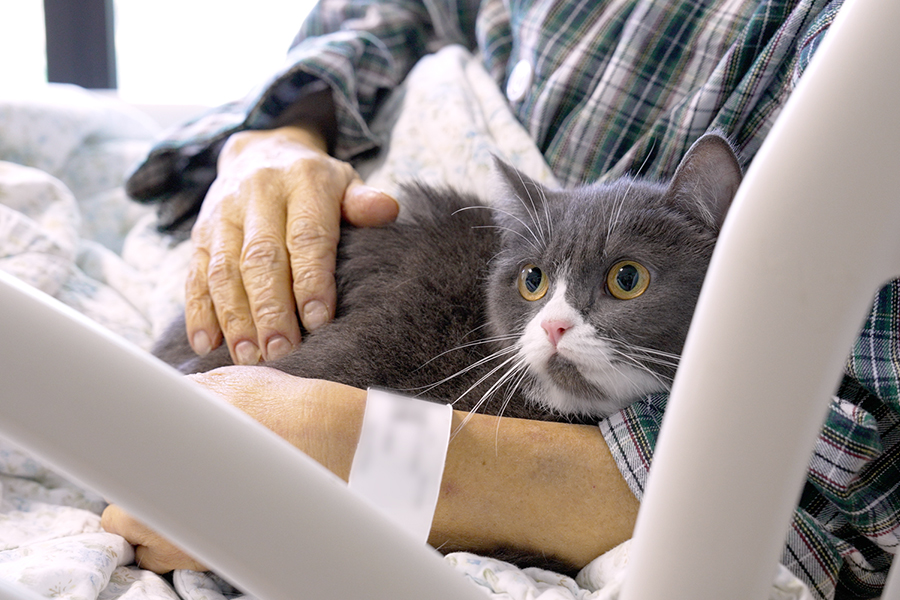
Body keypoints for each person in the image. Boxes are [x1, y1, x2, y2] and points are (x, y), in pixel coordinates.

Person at [102, 0, 900, 598]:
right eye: (539, 294)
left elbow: (842, 495)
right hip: (386, 237)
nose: (555, 320)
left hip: (633, 466)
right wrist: (279, 133)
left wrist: (377, 452)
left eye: (624, 283)